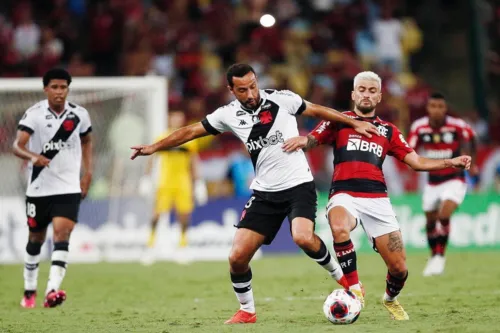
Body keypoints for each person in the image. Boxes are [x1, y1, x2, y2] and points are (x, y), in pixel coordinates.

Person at [130, 63, 379, 324]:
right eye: (242, 90)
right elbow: (191, 131)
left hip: (298, 186)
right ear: (231, 90)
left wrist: (353, 123)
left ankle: (346, 280)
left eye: (252, 86)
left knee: (303, 237)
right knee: (237, 257)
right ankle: (247, 311)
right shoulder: (227, 114)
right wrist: (154, 147)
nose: (250, 94)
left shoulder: (283, 99)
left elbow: (319, 111)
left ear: (257, 81)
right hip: (264, 193)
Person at [282, 71, 471, 320]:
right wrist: (302, 140)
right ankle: (354, 289)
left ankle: (390, 299)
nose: (366, 94)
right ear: (353, 94)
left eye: (372, 91)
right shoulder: (339, 121)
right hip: (344, 194)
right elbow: (313, 140)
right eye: (361, 89)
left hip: (377, 200)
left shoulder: (388, 131)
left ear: (379, 96)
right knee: (339, 228)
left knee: (400, 268)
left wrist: (451, 161)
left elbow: (416, 161)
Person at [13, 68, 93, 308]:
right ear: (46, 89)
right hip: (38, 188)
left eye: (63, 87)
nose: (59, 92)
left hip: (68, 187)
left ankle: (52, 290)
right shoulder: (33, 114)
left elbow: (88, 140)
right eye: (54, 87)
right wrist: (32, 157)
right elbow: (18, 145)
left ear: (68, 88)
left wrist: (87, 173)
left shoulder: (79, 115)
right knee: (35, 239)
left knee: (62, 233)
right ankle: (29, 289)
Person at [407, 93, 477, 276]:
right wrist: (410, 169)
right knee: (430, 220)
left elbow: (472, 137)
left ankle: (440, 256)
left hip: (454, 179)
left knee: (444, 214)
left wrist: (473, 163)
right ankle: (433, 256)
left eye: (440, 106)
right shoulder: (419, 127)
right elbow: (409, 151)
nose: (436, 110)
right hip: (432, 182)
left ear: (445, 109)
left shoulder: (457, 125)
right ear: (428, 108)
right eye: (433, 106)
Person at [143, 110, 201, 253]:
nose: (176, 121)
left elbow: (194, 161)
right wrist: (146, 178)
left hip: (183, 181)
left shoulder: (190, 139)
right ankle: (150, 243)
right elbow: (152, 157)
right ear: (170, 120)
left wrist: (199, 182)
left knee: (184, 213)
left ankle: (183, 244)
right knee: (157, 212)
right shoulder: (163, 137)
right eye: (174, 118)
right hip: (165, 180)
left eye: (179, 118)